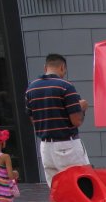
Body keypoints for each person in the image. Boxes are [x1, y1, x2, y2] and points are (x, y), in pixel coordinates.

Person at [24, 53, 89, 186]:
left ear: (45, 67)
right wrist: (81, 107)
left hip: (45, 147)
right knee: (80, 185)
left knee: (56, 188)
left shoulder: (31, 88)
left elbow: (33, 120)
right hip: (66, 144)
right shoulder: (65, 86)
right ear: (62, 67)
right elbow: (76, 121)